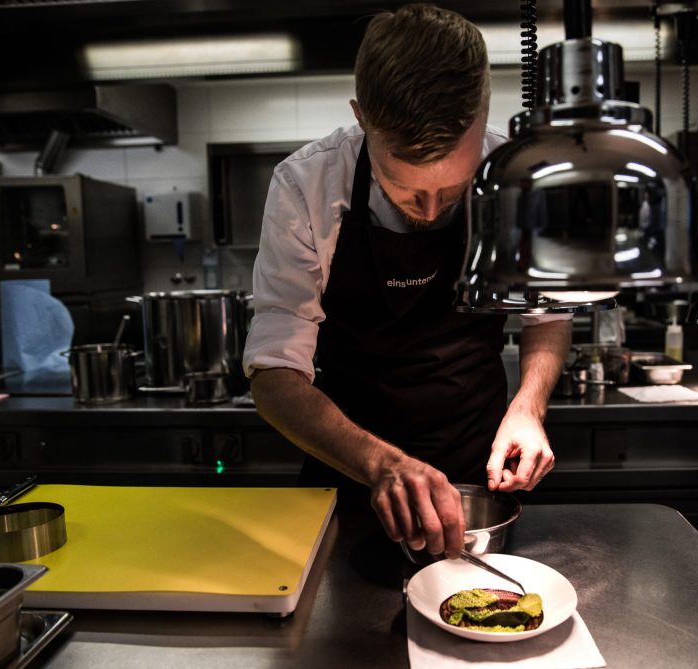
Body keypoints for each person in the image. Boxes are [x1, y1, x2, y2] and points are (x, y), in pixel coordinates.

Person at [242, 3, 571, 560]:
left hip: (479, 472)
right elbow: (274, 375)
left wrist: (529, 407)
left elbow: (549, 315)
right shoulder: (306, 186)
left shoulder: (518, 177)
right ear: (362, 116)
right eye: (407, 189)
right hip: (348, 472)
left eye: (452, 189)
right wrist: (381, 464)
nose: (432, 209)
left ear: (484, 112)